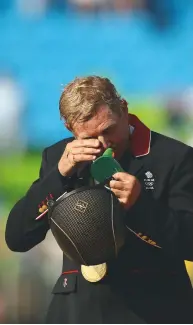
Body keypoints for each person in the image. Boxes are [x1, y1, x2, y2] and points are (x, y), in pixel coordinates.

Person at [5, 75, 193, 324]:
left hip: (151, 309)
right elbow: (17, 238)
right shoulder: (58, 157)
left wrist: (141, 206)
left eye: (108, 129)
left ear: (124, 109)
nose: (103, 143)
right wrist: (58, 176)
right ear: (70, 129)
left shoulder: (174, 157)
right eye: (89, 137)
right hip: (76, 311)